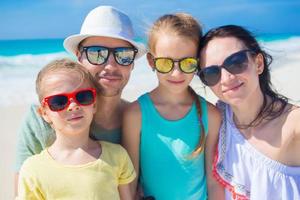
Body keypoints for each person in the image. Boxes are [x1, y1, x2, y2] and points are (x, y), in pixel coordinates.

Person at [14, 5, 145, 193]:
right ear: (79, 57)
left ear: (132, 63)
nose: (110, 65)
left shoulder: (140, 120)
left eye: (123, 55)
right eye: (96, 53)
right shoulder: (41, 122)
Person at [122, 13, 223, 200]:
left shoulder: (211, 115)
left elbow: (214, 181)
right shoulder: (135, 114)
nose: (176, 73)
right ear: (151, 61)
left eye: (187, 62)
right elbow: (129, 181)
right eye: (166, 63)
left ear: (198, 63)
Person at [197, 25, 300, 200]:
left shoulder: (293, 124)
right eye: (212, 73)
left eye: (236, 63)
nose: (226, 78)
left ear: (258, 64)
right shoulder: (216, 121)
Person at [17, 59, 136, 199]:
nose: (73, 106)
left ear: (95, 104)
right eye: (59, 101)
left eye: (83, 97)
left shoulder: (117, 156)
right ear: (44, 113)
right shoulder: (33, 169)